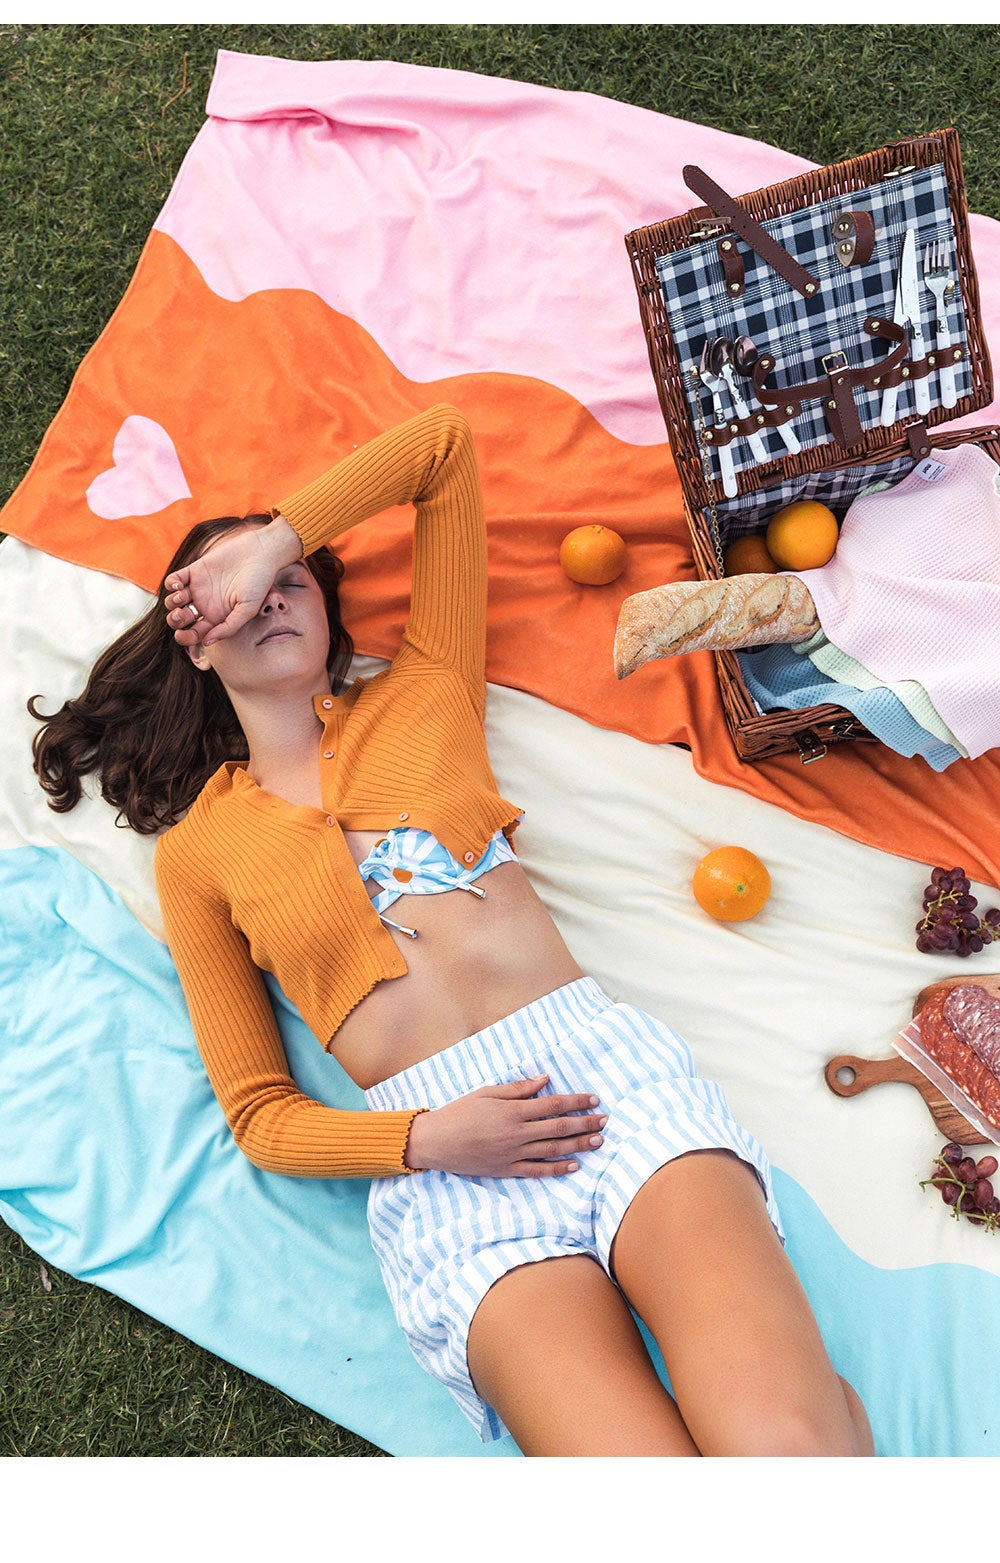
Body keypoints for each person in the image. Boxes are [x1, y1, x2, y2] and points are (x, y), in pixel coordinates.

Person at [31, 394, 872, 1456]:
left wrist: (274, 537)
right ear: (195, 645)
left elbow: (443, 450)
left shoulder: (426, 689)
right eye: (234, 597)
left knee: (787, 1460)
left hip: (598, 1085)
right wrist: (425, 1139)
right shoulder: (199, 853)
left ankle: (821, 1421)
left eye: (289, 582)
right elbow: (258, 1115)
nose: (269, 599)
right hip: (444, 1174)